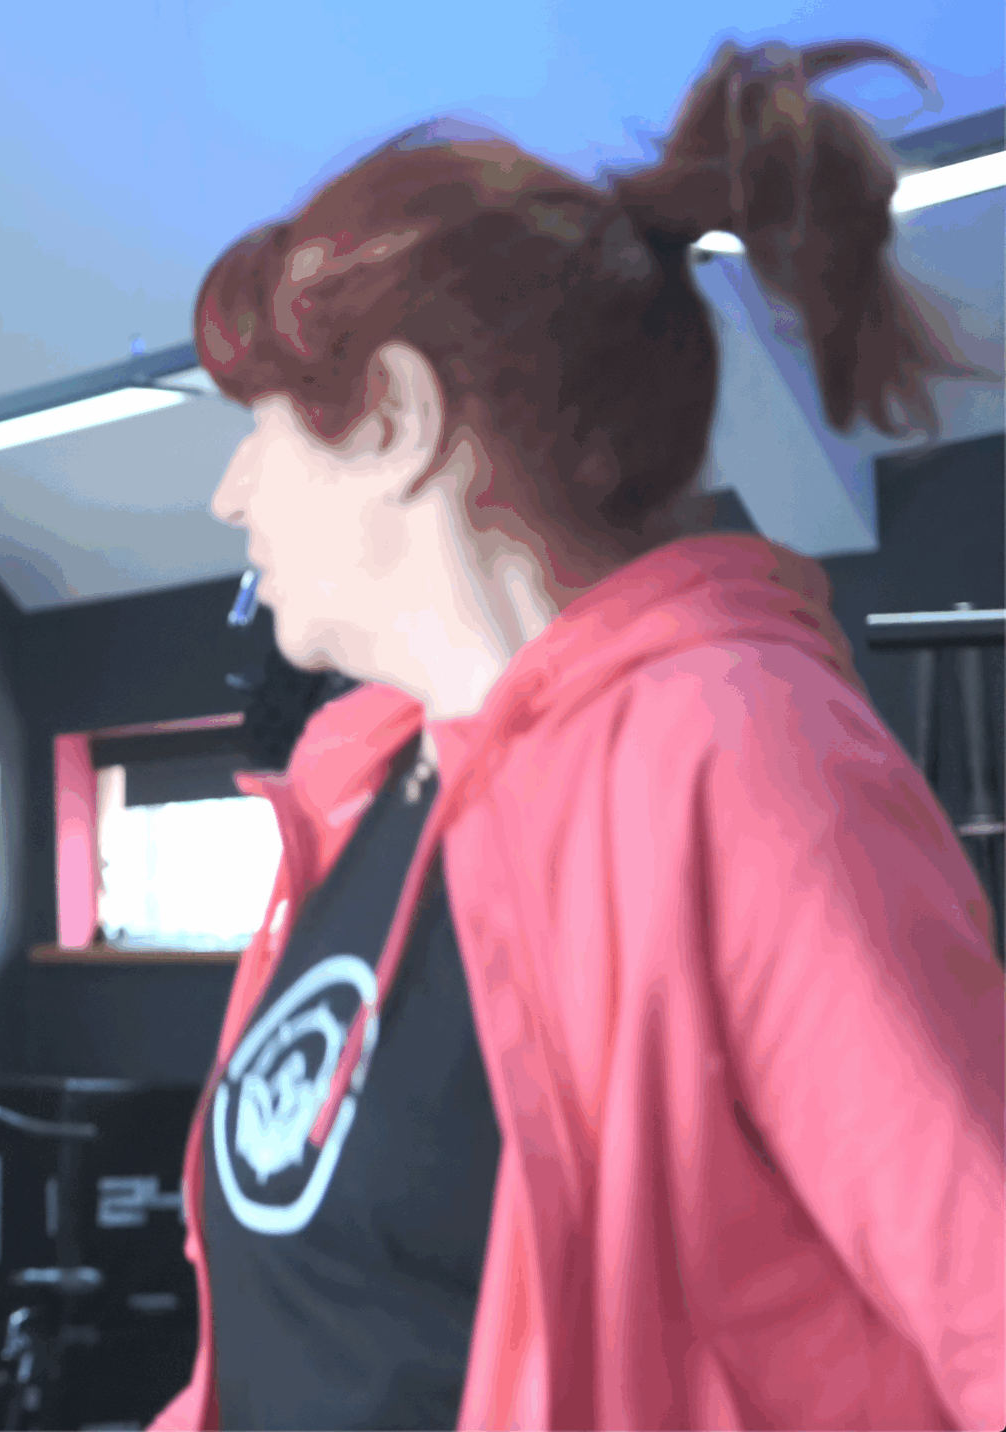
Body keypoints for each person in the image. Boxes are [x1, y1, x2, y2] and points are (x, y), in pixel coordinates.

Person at [156, 39, 1003, 1431]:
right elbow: (306, 1342)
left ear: (399, 420)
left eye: (265, 424)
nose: (232, 491)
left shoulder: (739, 754)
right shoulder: (367, 783)